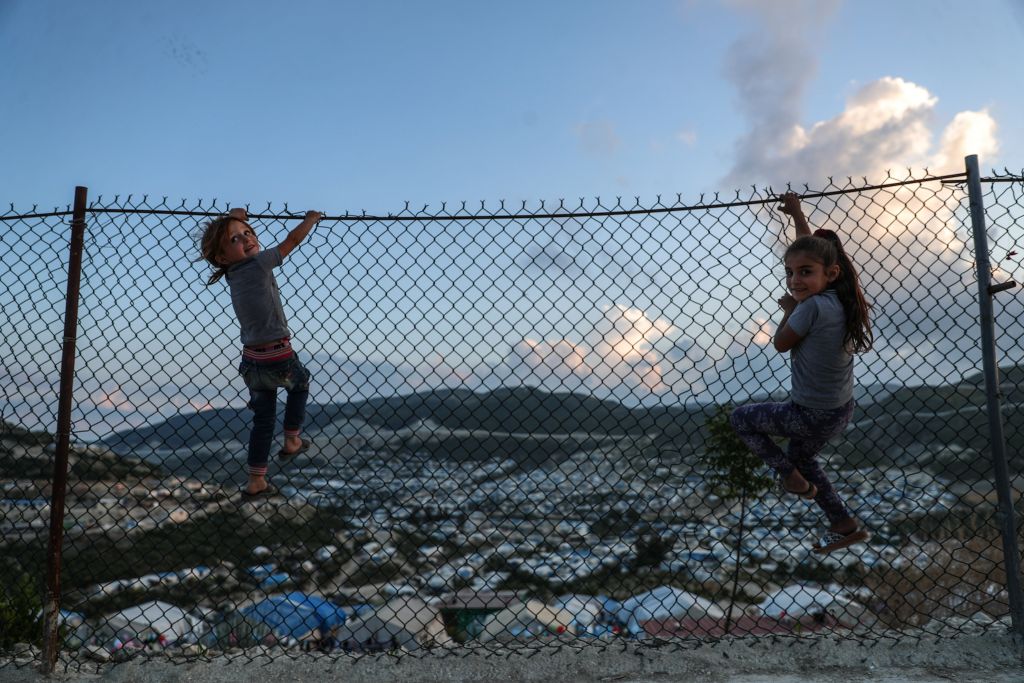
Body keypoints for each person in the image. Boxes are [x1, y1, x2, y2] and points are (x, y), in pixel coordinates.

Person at [730, 192, 873, 553]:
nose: (795, 280)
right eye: (789, 273)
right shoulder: (841, 297)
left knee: (742, 419)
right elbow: (812, 253)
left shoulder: (809, 308)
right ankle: (844, 524)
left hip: (809, 413)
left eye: (804, 273)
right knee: (803, 456)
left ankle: (789, 477)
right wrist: (797, 214)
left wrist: (789, 309)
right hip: (839, 410)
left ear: (830, 273)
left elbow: (781, 343)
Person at [198, 207, 322, 499]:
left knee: (263, 421)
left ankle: (256, 482)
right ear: (222, 257)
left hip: (252, 361)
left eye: (248, 233)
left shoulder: (232, 272)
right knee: (300, 384)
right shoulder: (261, 263)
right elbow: (291, 241)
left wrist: (235, 219)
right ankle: (292, 439)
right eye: (236, 239)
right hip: (279, 353)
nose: (247, 238)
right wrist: (311, 220)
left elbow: (237, 247)